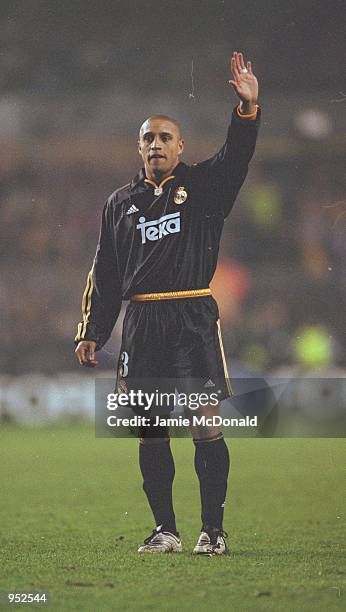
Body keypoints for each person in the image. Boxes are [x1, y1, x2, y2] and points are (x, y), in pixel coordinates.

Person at [75, 51, 260, 555]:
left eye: (165, 137)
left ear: (181, 146)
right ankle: (166, 530)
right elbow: (106, 272)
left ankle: (213, 531)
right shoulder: (119, 203)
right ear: (139, 146)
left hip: (192, 316)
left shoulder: (204, 188)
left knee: (205, 422)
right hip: (141, 322)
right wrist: (92, 328)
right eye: (148, 137)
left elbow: (237, 156)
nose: (156, 144)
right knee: (151, 432)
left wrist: (246, 110)